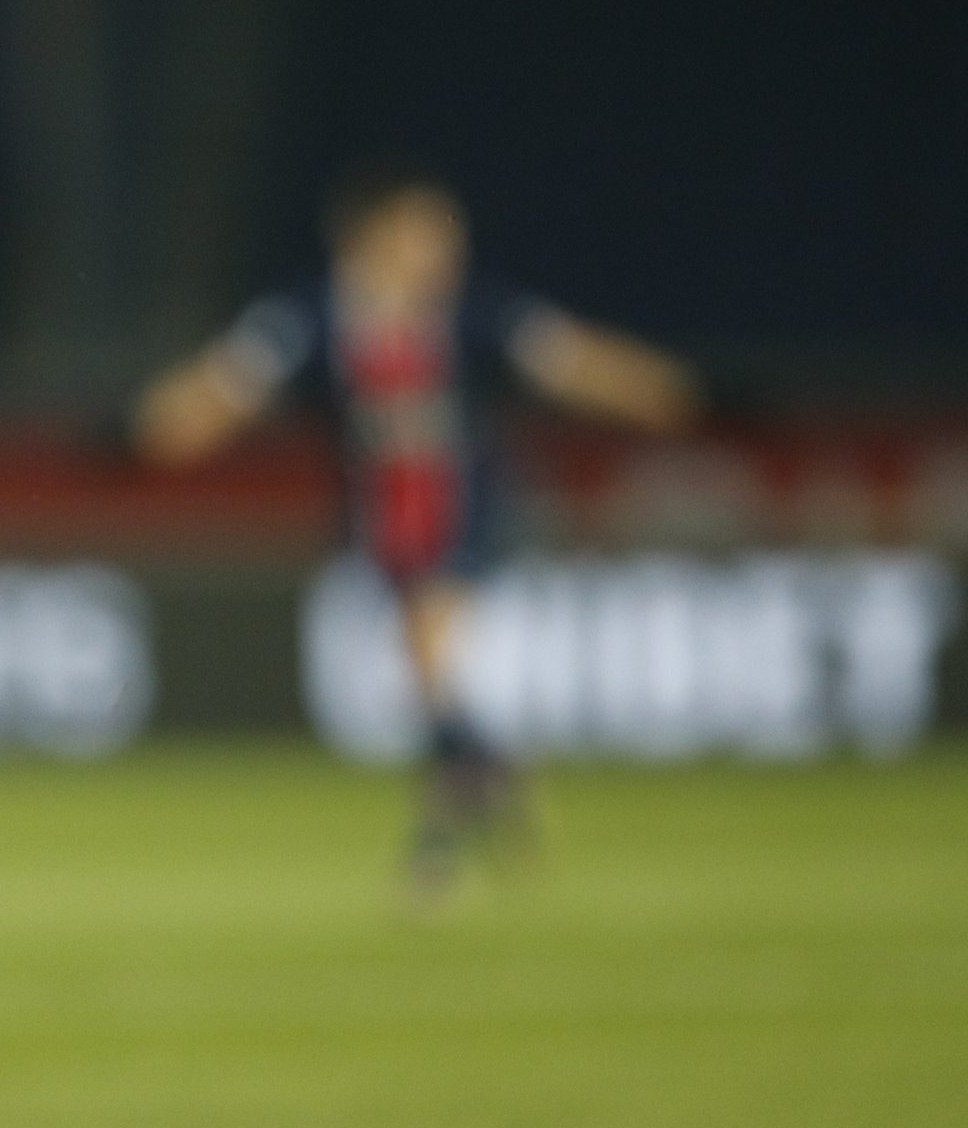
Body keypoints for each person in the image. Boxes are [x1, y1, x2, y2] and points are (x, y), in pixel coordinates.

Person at [132, 162, 696, 890]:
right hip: (382, 526)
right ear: (373, 237)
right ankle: (481, 781)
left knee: (429, 648)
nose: (445, 248)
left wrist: (658, 390)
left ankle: (438, 841)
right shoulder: (313, 316)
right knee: (430, 676)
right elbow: (227, 384)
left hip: (472, 509)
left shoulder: (472, 312)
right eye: (427, 232)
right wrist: (163, 423)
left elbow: (569, 360)